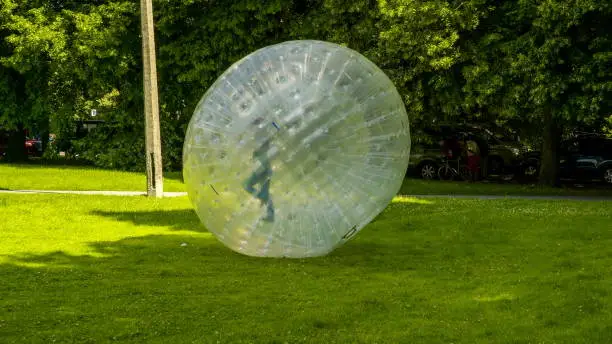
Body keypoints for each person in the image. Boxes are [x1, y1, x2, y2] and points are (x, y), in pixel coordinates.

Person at [243, 118, 275, 222]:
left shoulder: (261, 137)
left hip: (262, 166)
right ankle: (270, 215)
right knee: (264, 191)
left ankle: (263, 198)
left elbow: (260, 151)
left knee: (247, 185)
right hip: (265, 167)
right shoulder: (264, 137)